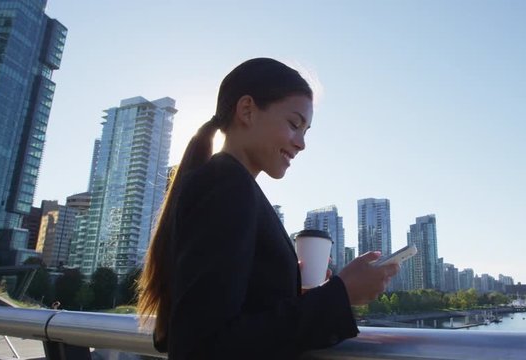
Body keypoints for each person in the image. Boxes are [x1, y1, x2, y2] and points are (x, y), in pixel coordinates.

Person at [137, 58, 399, 359]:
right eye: (294, 124)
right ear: (247, 110)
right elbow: (202, 344)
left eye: (306, 131)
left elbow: (223, 312)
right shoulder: (226, 185)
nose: (301, 143)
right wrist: (340, 295)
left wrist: (290, 293)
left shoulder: (226, 183)